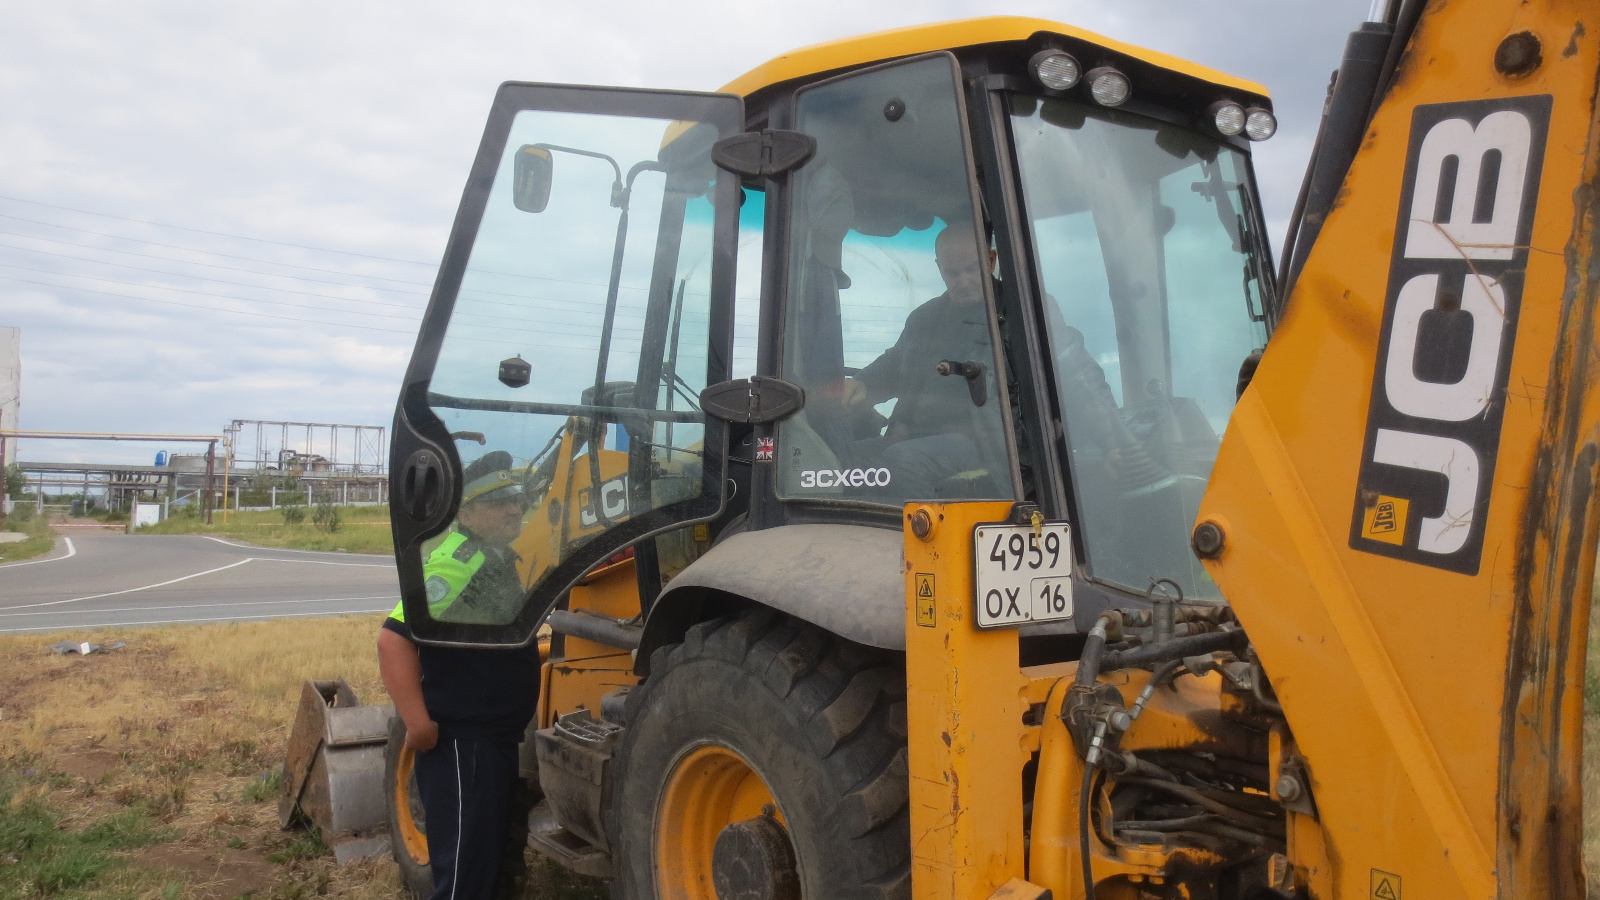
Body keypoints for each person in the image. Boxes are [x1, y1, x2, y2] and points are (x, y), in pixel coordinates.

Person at [377, 450, 541, 900]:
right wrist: (417, 724)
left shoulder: (495, 557)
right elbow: (393, 641)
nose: (514, 509)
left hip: (489, 739)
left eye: (516, 499)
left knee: (483, 865)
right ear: (466, 513)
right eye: (498, 503)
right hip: (462, 743)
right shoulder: (461, 562)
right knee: (464, 877)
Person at [838, 224, 1003, 495]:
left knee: (902, 461)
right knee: (840, 457)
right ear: (940, 269)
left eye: (971, 269)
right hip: (913, 436)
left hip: (987, 443)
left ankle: (923, 523)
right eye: (953, 273)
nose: (963, 281)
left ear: (991, 260)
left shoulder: (1021, 313)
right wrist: (862, 384)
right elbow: (894, 364)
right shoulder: (924, 319)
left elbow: (1068, 373)